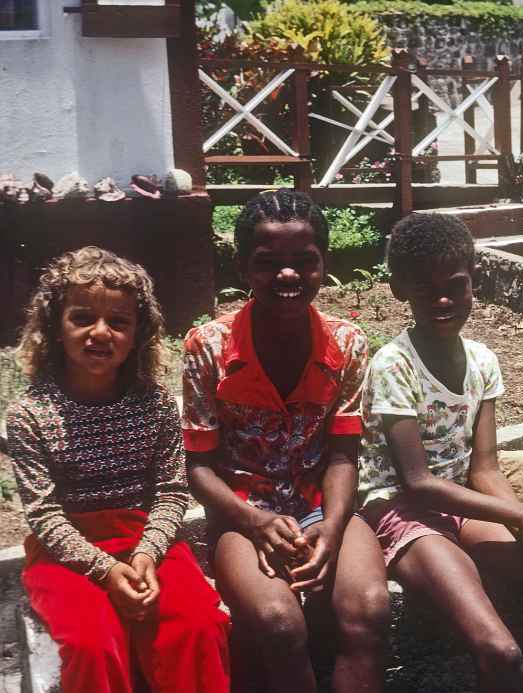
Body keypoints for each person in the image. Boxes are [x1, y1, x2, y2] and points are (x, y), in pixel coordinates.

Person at [358, 213, 523, 692]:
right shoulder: (393, 365)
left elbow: (484, 468)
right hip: (400, 512)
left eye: (455, 286)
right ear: (399, 290)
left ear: (474, 280)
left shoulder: (482, 361)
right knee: (500, 652)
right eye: (426, 290)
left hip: (460, 509)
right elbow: (417, 483)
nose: (443, 300)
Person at [182, 190, 389, 693]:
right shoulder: (208, 347)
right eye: (268, 263)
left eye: (305, 261)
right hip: (244, 512)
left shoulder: (347, 344)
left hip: (322, 503)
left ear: (324, 263)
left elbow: (343, 455)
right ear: (242, 267)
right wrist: (254, 521)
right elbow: (199, 469)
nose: (289, 275)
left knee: (368, 610)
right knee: (279, 622)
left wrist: (333, 530)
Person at [6, 246, 230, 693]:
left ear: (138, 334)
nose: (100, 332)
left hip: (149, 543)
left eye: (119, 322)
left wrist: (146, 555)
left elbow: (170, 492)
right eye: (83, 317)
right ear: (55, 327)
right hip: (66, 555)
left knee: (198, 625)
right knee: (91, 643)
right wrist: (106, 571)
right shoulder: (29, 413)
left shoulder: (156, 405)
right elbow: (44, 516)